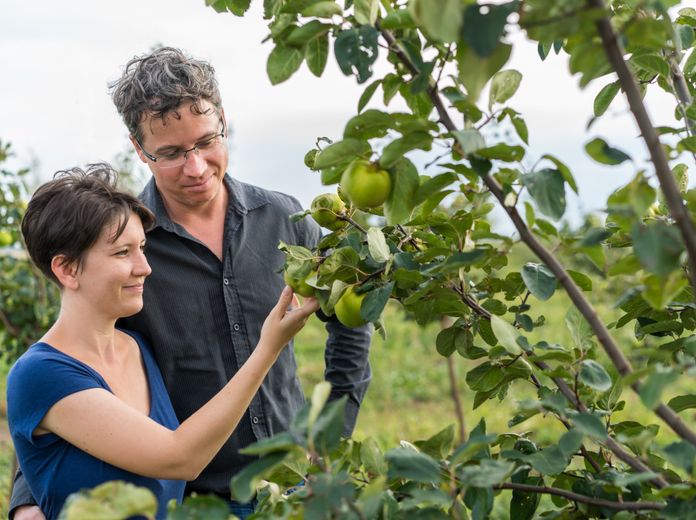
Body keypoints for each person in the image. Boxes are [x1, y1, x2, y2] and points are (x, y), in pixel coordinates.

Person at [10, 47, 372, 519]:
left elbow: (350, 319)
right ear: (139, 149)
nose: (196, 167)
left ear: (223, 120)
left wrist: (333, 438)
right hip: (190, 495)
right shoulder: (122, 251)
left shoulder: (286, 221)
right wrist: (28, 497)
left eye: (206, 142)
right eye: (172, 153)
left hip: (295, 488)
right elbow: (70, 371)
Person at [7, 165, 319, 520]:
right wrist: (268, 348)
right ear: (67, 269)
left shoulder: (136, 348)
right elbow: (179, 457)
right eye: (122, 253)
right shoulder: (42, 374)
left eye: (142, 247)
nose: (145, 267)